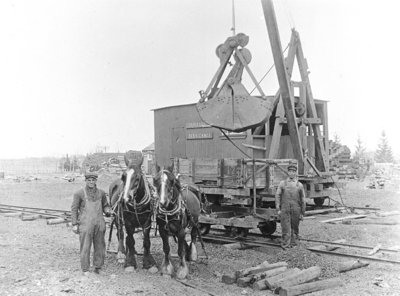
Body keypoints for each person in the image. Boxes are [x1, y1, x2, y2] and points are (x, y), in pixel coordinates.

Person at [71, 171, 112, 275]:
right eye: (89, 180)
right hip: (85, 224)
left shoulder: (101, 193)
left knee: (100, 246)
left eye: (93, 180)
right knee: (85, 246)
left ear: (95, 181)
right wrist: (74, 224)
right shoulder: (79, 193)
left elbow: (105, 205)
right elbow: (74, 209)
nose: (91, 182)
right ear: (86, 181)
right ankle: (85, 269)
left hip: (99, 223)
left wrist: (107, 211)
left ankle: (98, 267)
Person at [275, 161, 306, 249]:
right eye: (290, 171)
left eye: (293, 171)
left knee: (295, 228)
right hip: (285, 209)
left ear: (295, 173)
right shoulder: (282, 183)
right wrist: (278, 209)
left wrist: (302, 213)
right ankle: (285, 246)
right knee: (285, 229)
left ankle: (294, 246)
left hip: (296, 210)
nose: (291, 173)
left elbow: (303, 199)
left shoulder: (299, 185)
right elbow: (277, 195)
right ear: (288, 172)